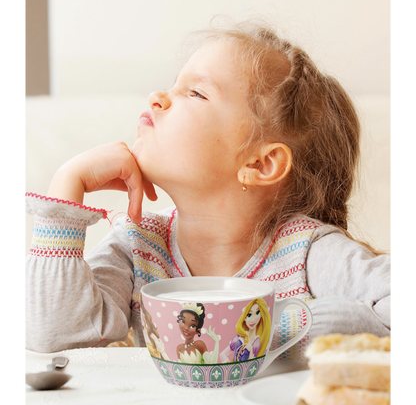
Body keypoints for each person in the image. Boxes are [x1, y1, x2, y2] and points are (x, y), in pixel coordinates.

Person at [23, 19, 393, 358]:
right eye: (174, 85)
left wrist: (289, 330)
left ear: (260, 164)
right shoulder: (137, 248)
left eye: (196, 93)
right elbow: (54, 339)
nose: (157, 96)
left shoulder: (306, 251)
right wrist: (65, 190)